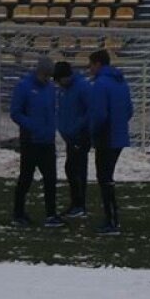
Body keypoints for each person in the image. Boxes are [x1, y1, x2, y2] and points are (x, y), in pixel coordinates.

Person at [10, 55, 61, 227]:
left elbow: (52, 111)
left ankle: (51, 214)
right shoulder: (24, 87)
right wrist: (32, 126)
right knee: (26, 177)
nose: (46, 79)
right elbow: (15, 112)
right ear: (38, 72)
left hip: (47, 140)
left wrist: (51, 129)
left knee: (51, 178)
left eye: (49, 76)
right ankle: (18, 213)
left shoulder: (51, 88)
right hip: (30, 140)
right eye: (44, 75)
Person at [87, 49, 134, 236]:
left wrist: (92, 131)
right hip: (119, 135)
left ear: (98, 64)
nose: (89, 68)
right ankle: (112, 218)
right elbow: (129, 110)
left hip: (106, 136)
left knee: (104, 178)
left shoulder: (100, 84)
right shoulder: (121, 82)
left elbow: (99, 114)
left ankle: (111, 220)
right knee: (108, 177)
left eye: (91, 64)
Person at [54, 61, 90, 219]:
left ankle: (79, 204)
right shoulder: (64, 90)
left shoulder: (82, 87)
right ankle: (76, 203)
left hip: (80, 135)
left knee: (76, 169)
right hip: (70, 135)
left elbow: (89, 111)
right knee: (71, 168)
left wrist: (77, 128)